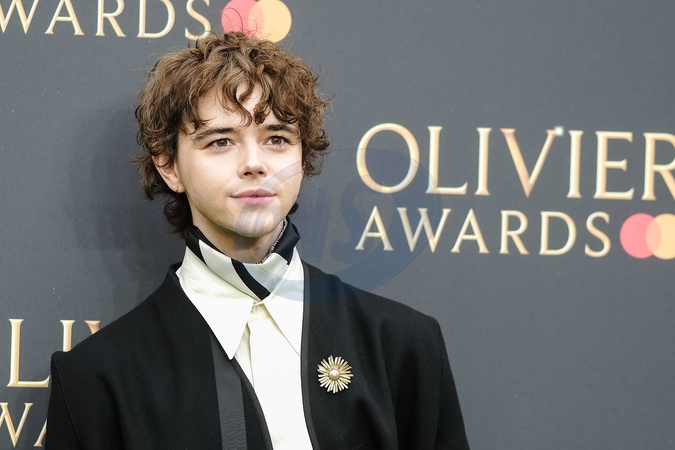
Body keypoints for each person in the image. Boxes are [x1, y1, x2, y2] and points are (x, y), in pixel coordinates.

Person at [46, 32, 470, 449]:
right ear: (169, 166)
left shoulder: (403, 344)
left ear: (303, 158)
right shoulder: (96, 378)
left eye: (277, 139)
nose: (255, 163)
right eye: (221, 141)